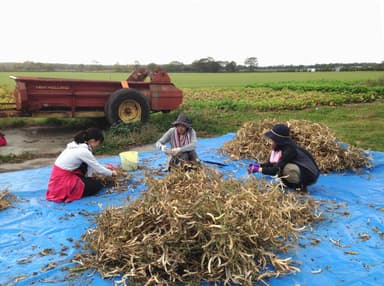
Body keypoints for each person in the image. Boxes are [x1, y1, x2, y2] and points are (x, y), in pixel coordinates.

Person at [46, 128, 117, 203]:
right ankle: (71, 191)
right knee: (97, 185)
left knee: (86, 170)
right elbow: (98, 168)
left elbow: (92, 164)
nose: (98, 145)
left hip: (57, 179)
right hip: (63, 182)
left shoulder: (76, 144)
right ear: (93, 141)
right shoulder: (83, 151)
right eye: (98, 143)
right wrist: (112, 173)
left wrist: (104, 167)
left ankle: (85, 181)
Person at [247, 123, 320, 192]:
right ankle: (289, 184)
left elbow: (275, 170)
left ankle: (300, 187)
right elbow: (271, 163)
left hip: (309, 174)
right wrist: (259, 165)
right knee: (282, 167)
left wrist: (259, 169)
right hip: (301, 169)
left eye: (272, 140)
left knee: (286, 169)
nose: (270, 142)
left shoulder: (289, 151)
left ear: (278, 140)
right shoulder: (280, 148)